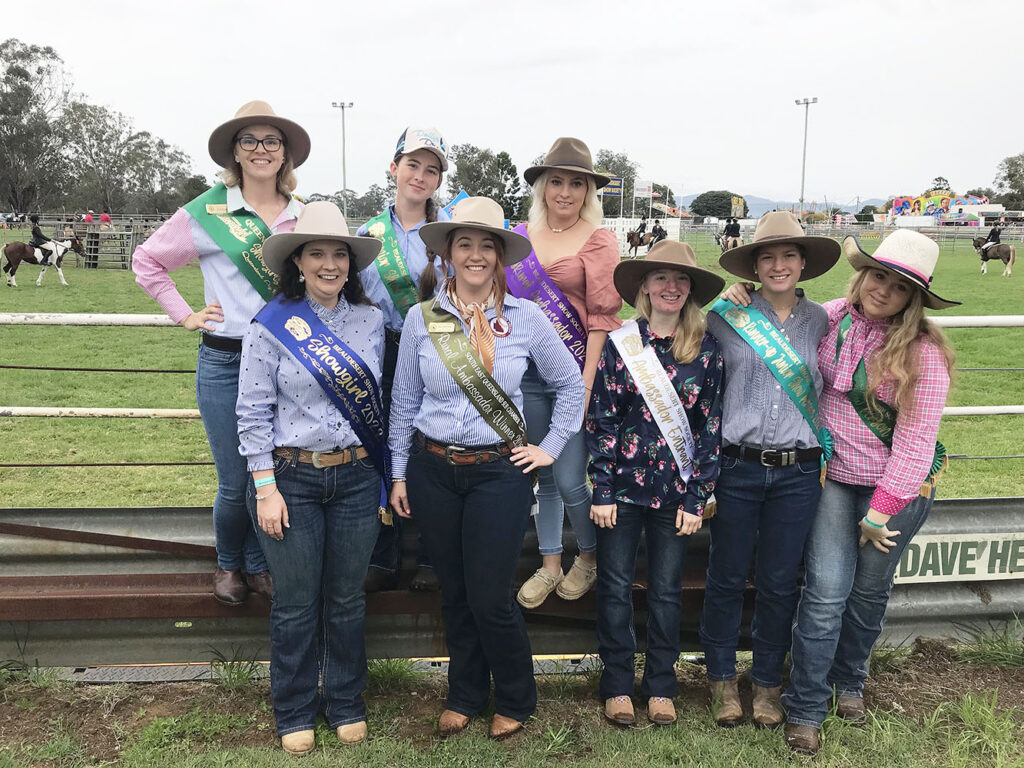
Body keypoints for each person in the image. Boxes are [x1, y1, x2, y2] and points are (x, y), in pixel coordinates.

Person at [389, 197, 584, 739]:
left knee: (490, 596)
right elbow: (404, 400)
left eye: (486, 245)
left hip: (500, 473)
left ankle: (518, 695)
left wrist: (549, 445)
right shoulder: (419, 318)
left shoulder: (526, 318)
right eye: (465, 244)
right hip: (433, 471)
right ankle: (466, 693)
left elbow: (570, 384)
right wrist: (399, 473)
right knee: (454, 592)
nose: (475, 254)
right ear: (448, 253)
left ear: (499, 256)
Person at [775, 231, 956, 755]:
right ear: (863, 275)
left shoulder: (925, 354)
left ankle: (850, 679)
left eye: (900, 286)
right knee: (827, 591)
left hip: (897, 491)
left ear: (913, 298)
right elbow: (778, 321)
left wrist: (879, 513)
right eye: (879, 276)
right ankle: (806, 704)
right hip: (834, 479)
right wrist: (744, 296)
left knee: (869, 592)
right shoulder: (830, 316)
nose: (884, 290)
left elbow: (917, 444)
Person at [132, 100, 310, 606]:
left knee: (276, 469)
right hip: (226, 359)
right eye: (249, 141)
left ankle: (261, 562)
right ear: (235, 152)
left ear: (285, 154)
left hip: (290, 360)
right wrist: (183, 313)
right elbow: (147, 261)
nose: (260, 150)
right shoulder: (206, 213)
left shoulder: (306, 214)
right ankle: (233, 563)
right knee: (236, 479)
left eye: (270, 141)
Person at [236, 201, 385, 756]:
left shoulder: (370, 322)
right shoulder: (269, 324)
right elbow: (251, 412)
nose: (329, 264)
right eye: (316, 253)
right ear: (297, 260)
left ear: (351, 262)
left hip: (356, 476)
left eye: (338, 253)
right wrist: (265, 487)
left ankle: (345, 701)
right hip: (291, 479)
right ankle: (294, 707)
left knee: (346, 599)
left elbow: (383, 401)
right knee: (297, 602)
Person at [698, 211, 840, 728]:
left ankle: (765, 685)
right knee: (726, 577)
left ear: (803, 262)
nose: (778, 265)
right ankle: (720, 681)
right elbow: (681, 333)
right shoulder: (727, 314)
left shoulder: (823, 320)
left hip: (798, 473)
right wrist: (719, 298)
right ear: (754, 265)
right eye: (767, 257)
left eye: (788, 256)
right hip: (737, 467)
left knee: (781, 582)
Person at [588, 241, 725, 727]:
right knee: (615, 587)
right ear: (644, 287)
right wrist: (601, 488)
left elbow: (710, 429)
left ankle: (662, 685)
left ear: (690, 290)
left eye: (681, 280)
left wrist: (697, 495)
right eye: (661, 278)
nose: (671, 287)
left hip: (675, 495)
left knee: (667, 590)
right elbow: (602, 418)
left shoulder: (706, 351)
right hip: (621, 492)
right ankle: (618, 685)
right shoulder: (622, 344)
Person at [508, 137, 622, 609]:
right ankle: (552, 563)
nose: (565, 191)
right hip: (526, 375)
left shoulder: (599, 240)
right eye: (556, 180)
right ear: (542, 186)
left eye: (577, 183)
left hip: (575, 373)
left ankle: (590, 559)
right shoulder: (519, 234)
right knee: (545, 472)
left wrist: (588, 380)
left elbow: (603, 316)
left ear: (588, 191)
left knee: (574, 477)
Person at [358, 125, 450, 594]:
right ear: (394, 168)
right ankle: (384, 550)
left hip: (438, 349)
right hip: (380, 352)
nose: (420, 175)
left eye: (431, 169)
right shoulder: (367, 235)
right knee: (380, 444)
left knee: (429, 444)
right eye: (412, 164)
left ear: (438, 180)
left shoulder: (449, 233)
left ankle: (431, 554)